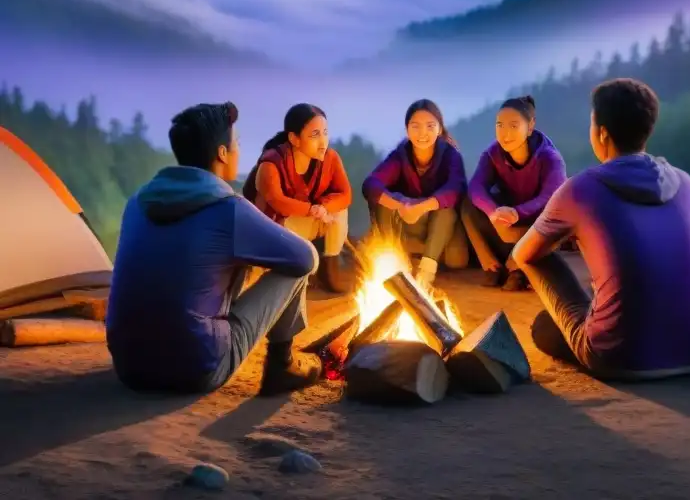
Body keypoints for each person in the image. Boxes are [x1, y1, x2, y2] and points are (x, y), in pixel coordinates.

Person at [106, 102, 324, 396]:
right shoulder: (228, 208)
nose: (238, 150)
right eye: (236, 144)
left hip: (128, 367)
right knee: (295, 268)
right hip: (195, 370)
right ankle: (282, 364)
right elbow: (306, 258)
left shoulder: (137, 203)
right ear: (222, 153)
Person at [511, 78, 690, 381]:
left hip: (620, 358)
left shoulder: (581, 188)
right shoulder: (686, 184)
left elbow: (523, 254)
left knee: (543, 326)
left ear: (602, 133)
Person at [242, 103, 352, 294]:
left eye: (325, 132)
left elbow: (345, 195)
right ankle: (268, 276)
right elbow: (277, 201)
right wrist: (312, 210)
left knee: (340, 210)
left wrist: (324, 207)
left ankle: (330, 267)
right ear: (294, 138)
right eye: (314, 135)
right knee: (258, 285)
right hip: (275, 229)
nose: (323, 141)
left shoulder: (331, 158)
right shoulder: (271, 163)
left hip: (312, 222)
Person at [462, 95, 567, 291]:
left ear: (530, 127)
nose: (505, 134)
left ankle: (517, 268)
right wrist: (493, 212)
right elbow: (476, 186)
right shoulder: (493, 154)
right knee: (467, 203)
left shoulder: (550, 158)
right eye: (499, 125)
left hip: (535, 229)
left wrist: (517, 212)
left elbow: (550, 198)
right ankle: (492, 266)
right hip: (505, 224)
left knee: (555, 222)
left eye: (513, 126)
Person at [362, 99, 468, 287]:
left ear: (440, 129)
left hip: (441, 231)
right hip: (410, 224)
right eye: (415, 126)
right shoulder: (400, 155)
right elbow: (371, 184)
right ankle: (394, 263)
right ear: (407, 129)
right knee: (383, 201)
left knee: (447, 211)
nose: (422, 133)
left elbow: (456, 188)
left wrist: (422, 206)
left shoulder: (450, 155)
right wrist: (400, 204)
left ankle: (426, 269)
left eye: (430, 126)